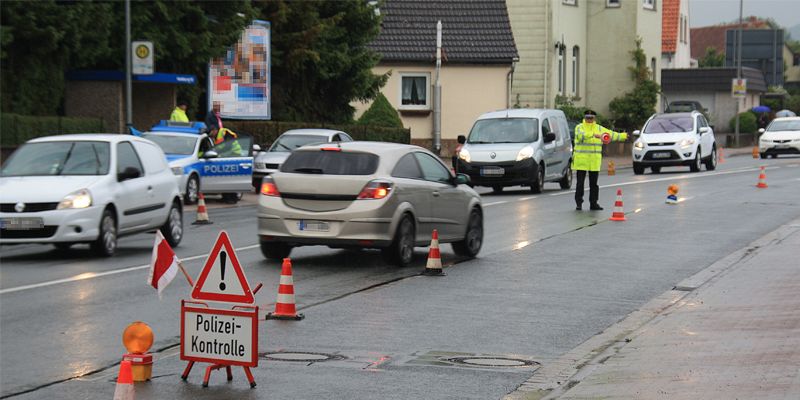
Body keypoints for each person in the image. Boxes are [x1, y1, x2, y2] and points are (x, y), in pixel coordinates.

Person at [572, 110, 627, 211]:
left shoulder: (599, 128)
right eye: (587, 117)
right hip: (582, 161)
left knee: (594, 184)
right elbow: (581, 136)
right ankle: (579, 203)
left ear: (594, 118)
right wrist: (594, 135)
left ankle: (594, 203)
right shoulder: (579, 127)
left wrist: (623, 136)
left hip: (594, 161)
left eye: (591, 118)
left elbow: (611, 134)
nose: (589, 120)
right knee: (580, 183)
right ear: (584, 118)